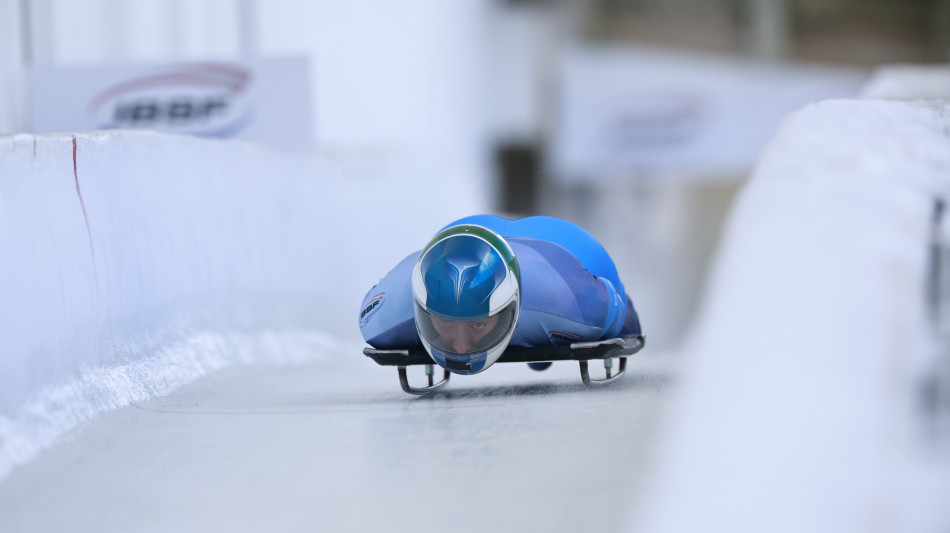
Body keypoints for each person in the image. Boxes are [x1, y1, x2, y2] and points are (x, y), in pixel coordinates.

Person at [358, 215, 642, 375]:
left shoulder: (576, 303)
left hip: (560, 244)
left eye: (478, 324)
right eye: (444, 323)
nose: (460, 348)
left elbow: (616, 312)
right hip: (461, 236)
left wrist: (623, 318)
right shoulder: (384, 317)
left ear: (511, 305)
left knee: (616, 322)